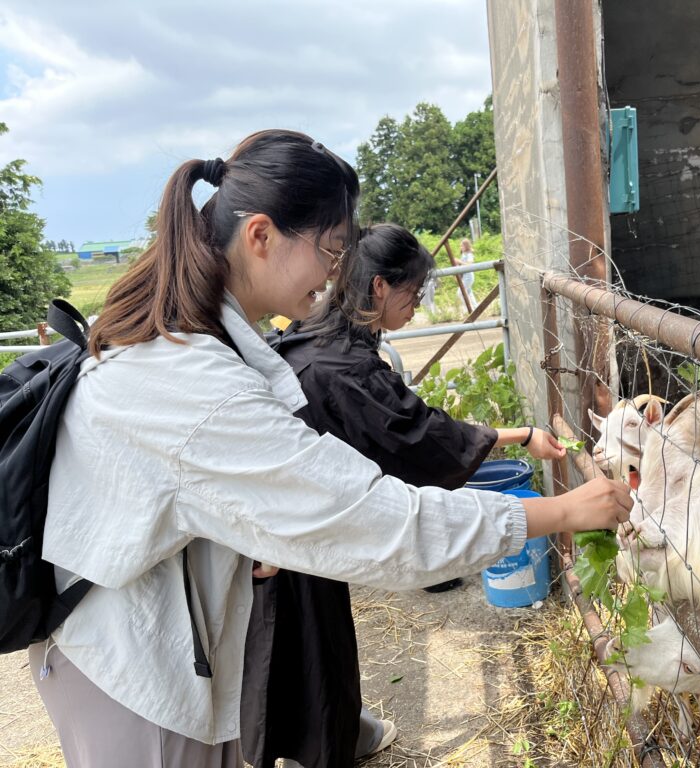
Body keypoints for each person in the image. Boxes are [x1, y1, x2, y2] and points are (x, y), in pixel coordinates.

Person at [30, 129, 633, 768]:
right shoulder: (198, 382)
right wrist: (563, 511)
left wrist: (236, 537)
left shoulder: (185, 338)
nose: (333, 273)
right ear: (260, 236)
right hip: (137, 672)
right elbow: (375, 520)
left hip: (145, 641)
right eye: (331, 249)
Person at [242, 224, 567, 768]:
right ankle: (326, 745)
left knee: (299, 643)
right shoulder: (345, 365)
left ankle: (337, 732)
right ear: (379, 288)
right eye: (413, 293)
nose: (417, 305)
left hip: (286, 511)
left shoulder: (319, 335)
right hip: (293, 525)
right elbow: (420, 435)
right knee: (311, 643)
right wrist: (522, 436)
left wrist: (516, 436)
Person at [454, 237, 477, 310]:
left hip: (468, 277)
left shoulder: (469, 254)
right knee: (469, 293)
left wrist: (459, 261)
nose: (461, 247)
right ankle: (475, 308)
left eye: (462, 246)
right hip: (465, 277)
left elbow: (469, 264)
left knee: (460, 293)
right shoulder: (464, 254)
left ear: (466, 246)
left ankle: (469, 309)